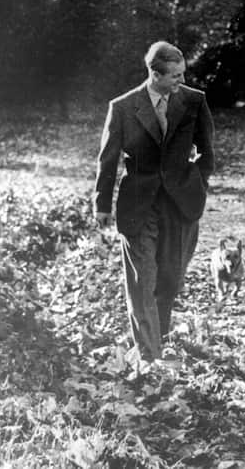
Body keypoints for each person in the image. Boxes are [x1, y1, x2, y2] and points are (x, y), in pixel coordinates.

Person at [94, 41, 215, 370]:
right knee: (142, 280)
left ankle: (156, 339)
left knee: (170, 279)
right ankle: (150, 356)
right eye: (175, 75)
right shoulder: (123, 107)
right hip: (139, 204)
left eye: (182, 74)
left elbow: (207, 152)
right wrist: (102, 204)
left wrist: (198, 183)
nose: (181, 80)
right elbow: (108, 159)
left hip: (181, 205)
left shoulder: (193, 101)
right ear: (154, 73)